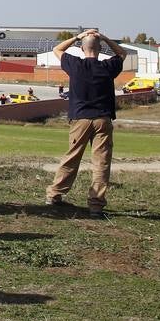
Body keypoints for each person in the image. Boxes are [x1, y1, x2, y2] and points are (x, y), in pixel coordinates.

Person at [46, 29, 127, 216]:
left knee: (72, 157)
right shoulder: (108, 66)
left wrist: (77, 37)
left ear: (82, 49)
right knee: (101, 162)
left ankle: (55, 194)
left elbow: (57, 49)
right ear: (99, 49)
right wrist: (106, 38)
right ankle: (96, 205)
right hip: (102, 119)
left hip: (80, 118)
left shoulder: (75, 65)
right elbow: (122, 54)